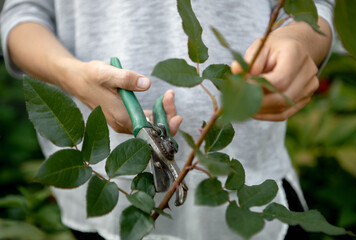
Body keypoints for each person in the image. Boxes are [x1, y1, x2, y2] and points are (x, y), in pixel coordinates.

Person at [0, 0, 334, 239]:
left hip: (249, 182)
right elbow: (22, 12)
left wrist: (298, 40)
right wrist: (70, 75)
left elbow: (318, 6)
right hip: (106, 197)